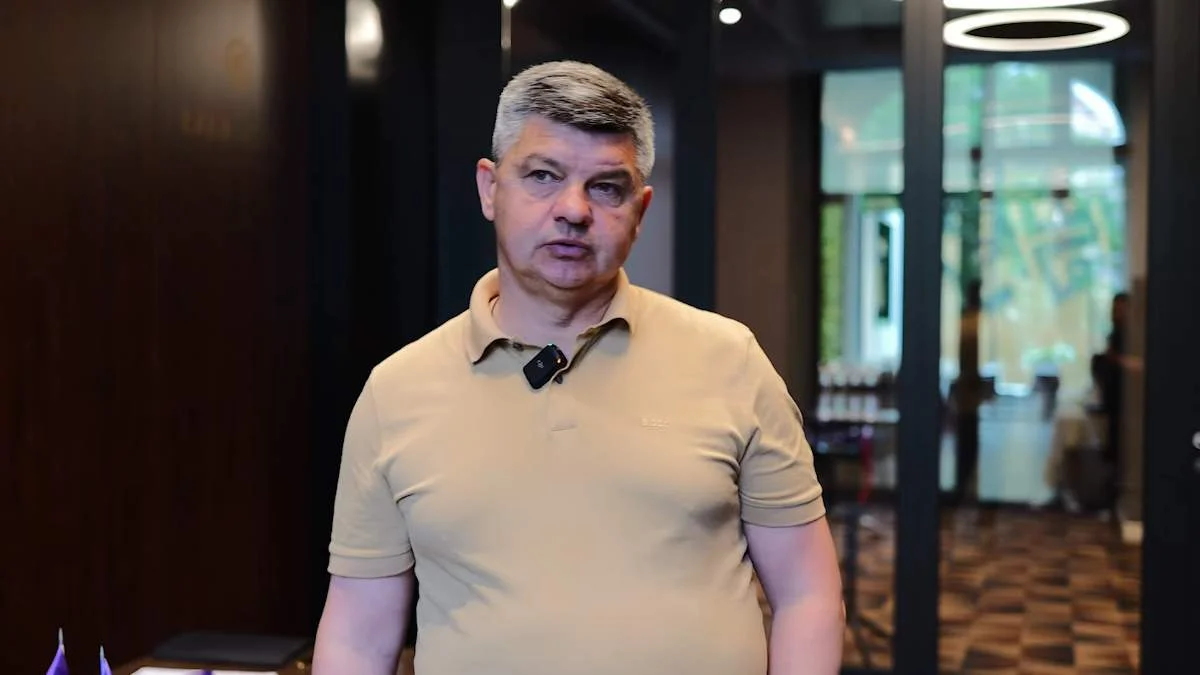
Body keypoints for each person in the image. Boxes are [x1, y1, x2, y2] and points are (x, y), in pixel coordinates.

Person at [311, 60, 844, 675]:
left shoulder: (730, 359)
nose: (573, 210)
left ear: (640, 209)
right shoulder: (396, 391)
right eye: (542, 176)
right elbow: (357, 636)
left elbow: (807, 593)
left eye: (606, 187)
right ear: (489, 188)